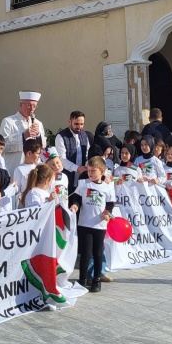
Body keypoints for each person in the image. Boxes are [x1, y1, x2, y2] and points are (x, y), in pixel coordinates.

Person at [69, 156, 115, 293]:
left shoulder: (107, 187)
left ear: (102, 171)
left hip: (99, 226)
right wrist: (75, 205)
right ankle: (82, 280)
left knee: (98, 253)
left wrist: (107, 212)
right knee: (86, 253)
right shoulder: (83, 184)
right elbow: (77, 198)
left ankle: (96, 280)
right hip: (85, 224)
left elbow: (110, 204)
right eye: (89, 170)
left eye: (93, 170)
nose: (90, 173)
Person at [0, 91, 46, 173]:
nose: (31, 109)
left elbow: (43, 146)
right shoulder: (8, 121)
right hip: (14, 166)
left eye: (34, 106)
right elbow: (2, 146)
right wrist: (23, 136)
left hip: (33, 168)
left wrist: (38, 135)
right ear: (21, 104)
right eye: (28, 105)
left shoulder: (38, 123)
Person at [55, 110, 93, 193]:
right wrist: (77, 168)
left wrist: (87, 166)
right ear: (70, 122)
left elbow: (88, 154)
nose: (79, 127)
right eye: (76, 124)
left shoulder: (84, 135)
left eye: (82, 124)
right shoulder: (61, 136)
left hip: (82, 178)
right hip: (67, 178)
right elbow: (62, 159)